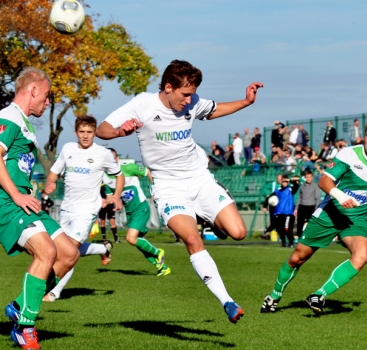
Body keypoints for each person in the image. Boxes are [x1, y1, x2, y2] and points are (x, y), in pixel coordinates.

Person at [96, 59, 263, 323]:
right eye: (185, 94)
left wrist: (246, 101)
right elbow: (101, 129)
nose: (189, 99)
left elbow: (215, 109)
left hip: (199, 179)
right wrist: (119, 131)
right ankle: (228, 302)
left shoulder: (192, 101)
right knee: (193, 240)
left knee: (239, 233)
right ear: (168, 87)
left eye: (192, 94)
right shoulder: (143, 104)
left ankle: (205, 215)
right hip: (168, 187)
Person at [261, 121, 367, 315]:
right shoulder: (349, 154)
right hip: (329, 214)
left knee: (362, 254)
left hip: (355, 219)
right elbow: (324, 181)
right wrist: (341, 196)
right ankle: (274, 296)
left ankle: (318, 295)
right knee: (297, 258)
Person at [0, 67, 79, 349]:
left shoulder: (24, 124)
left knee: (68, 254)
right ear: (33, 90)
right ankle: (24, 327)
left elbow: (12, 165)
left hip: (20, 201)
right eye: (47, 95)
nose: (48, 102)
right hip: (9, 201)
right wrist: (13, 196)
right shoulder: (8, 116)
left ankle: (20, 306)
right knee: (47, 252)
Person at [43, 115, 124, 303]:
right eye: (82, 132)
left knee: (68, 252)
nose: (86, 136)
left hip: (87, 210)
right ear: (76, 133)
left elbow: (119, 176)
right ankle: (102, 249)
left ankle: (54, 291)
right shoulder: (68, 149)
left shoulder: (102, 153)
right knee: (60, 249)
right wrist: (50, 183)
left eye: (89, 132)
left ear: (95, 133)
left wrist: (116, 196)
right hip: (67, 208)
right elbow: (54, 172)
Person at [103, 148, 171, 276]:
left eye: (113, 159)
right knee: (139, 242)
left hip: (141, 207)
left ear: (117, 159)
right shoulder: (105, 177)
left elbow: (148, 172)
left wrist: (155, 190)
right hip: (130, 213)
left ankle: (158, 252)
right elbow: (110, 197)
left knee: (130, 238)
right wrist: (109, 203)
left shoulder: (128, 168)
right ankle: (162, 267)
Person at [265, 174, 300, 247]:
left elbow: (296, 185)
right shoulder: (277, 191)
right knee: (280, 229)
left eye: (286, 181)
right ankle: (283, 243)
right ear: (281, 182)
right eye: (283, 181)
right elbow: (270, 197)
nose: (284, 183)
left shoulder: (290, 189)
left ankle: (291, 242)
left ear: (287, 182)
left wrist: (290, 180)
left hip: (288, 213)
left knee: (287, 229)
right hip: (279, 213)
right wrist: (265, 205)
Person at [295, 170, 321, 241]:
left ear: (312, 177)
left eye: (310, 177)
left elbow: (317, 198)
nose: (308, 178)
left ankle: (311, 237)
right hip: (302, 207)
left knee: (311, 223)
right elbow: (299, 198)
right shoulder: (302, 186)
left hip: (311, 207)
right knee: (300, 223)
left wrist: (316, 209)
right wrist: (296, 208)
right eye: (307, 177)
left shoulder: (315, 186)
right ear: (305, 177)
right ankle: (300, 237)